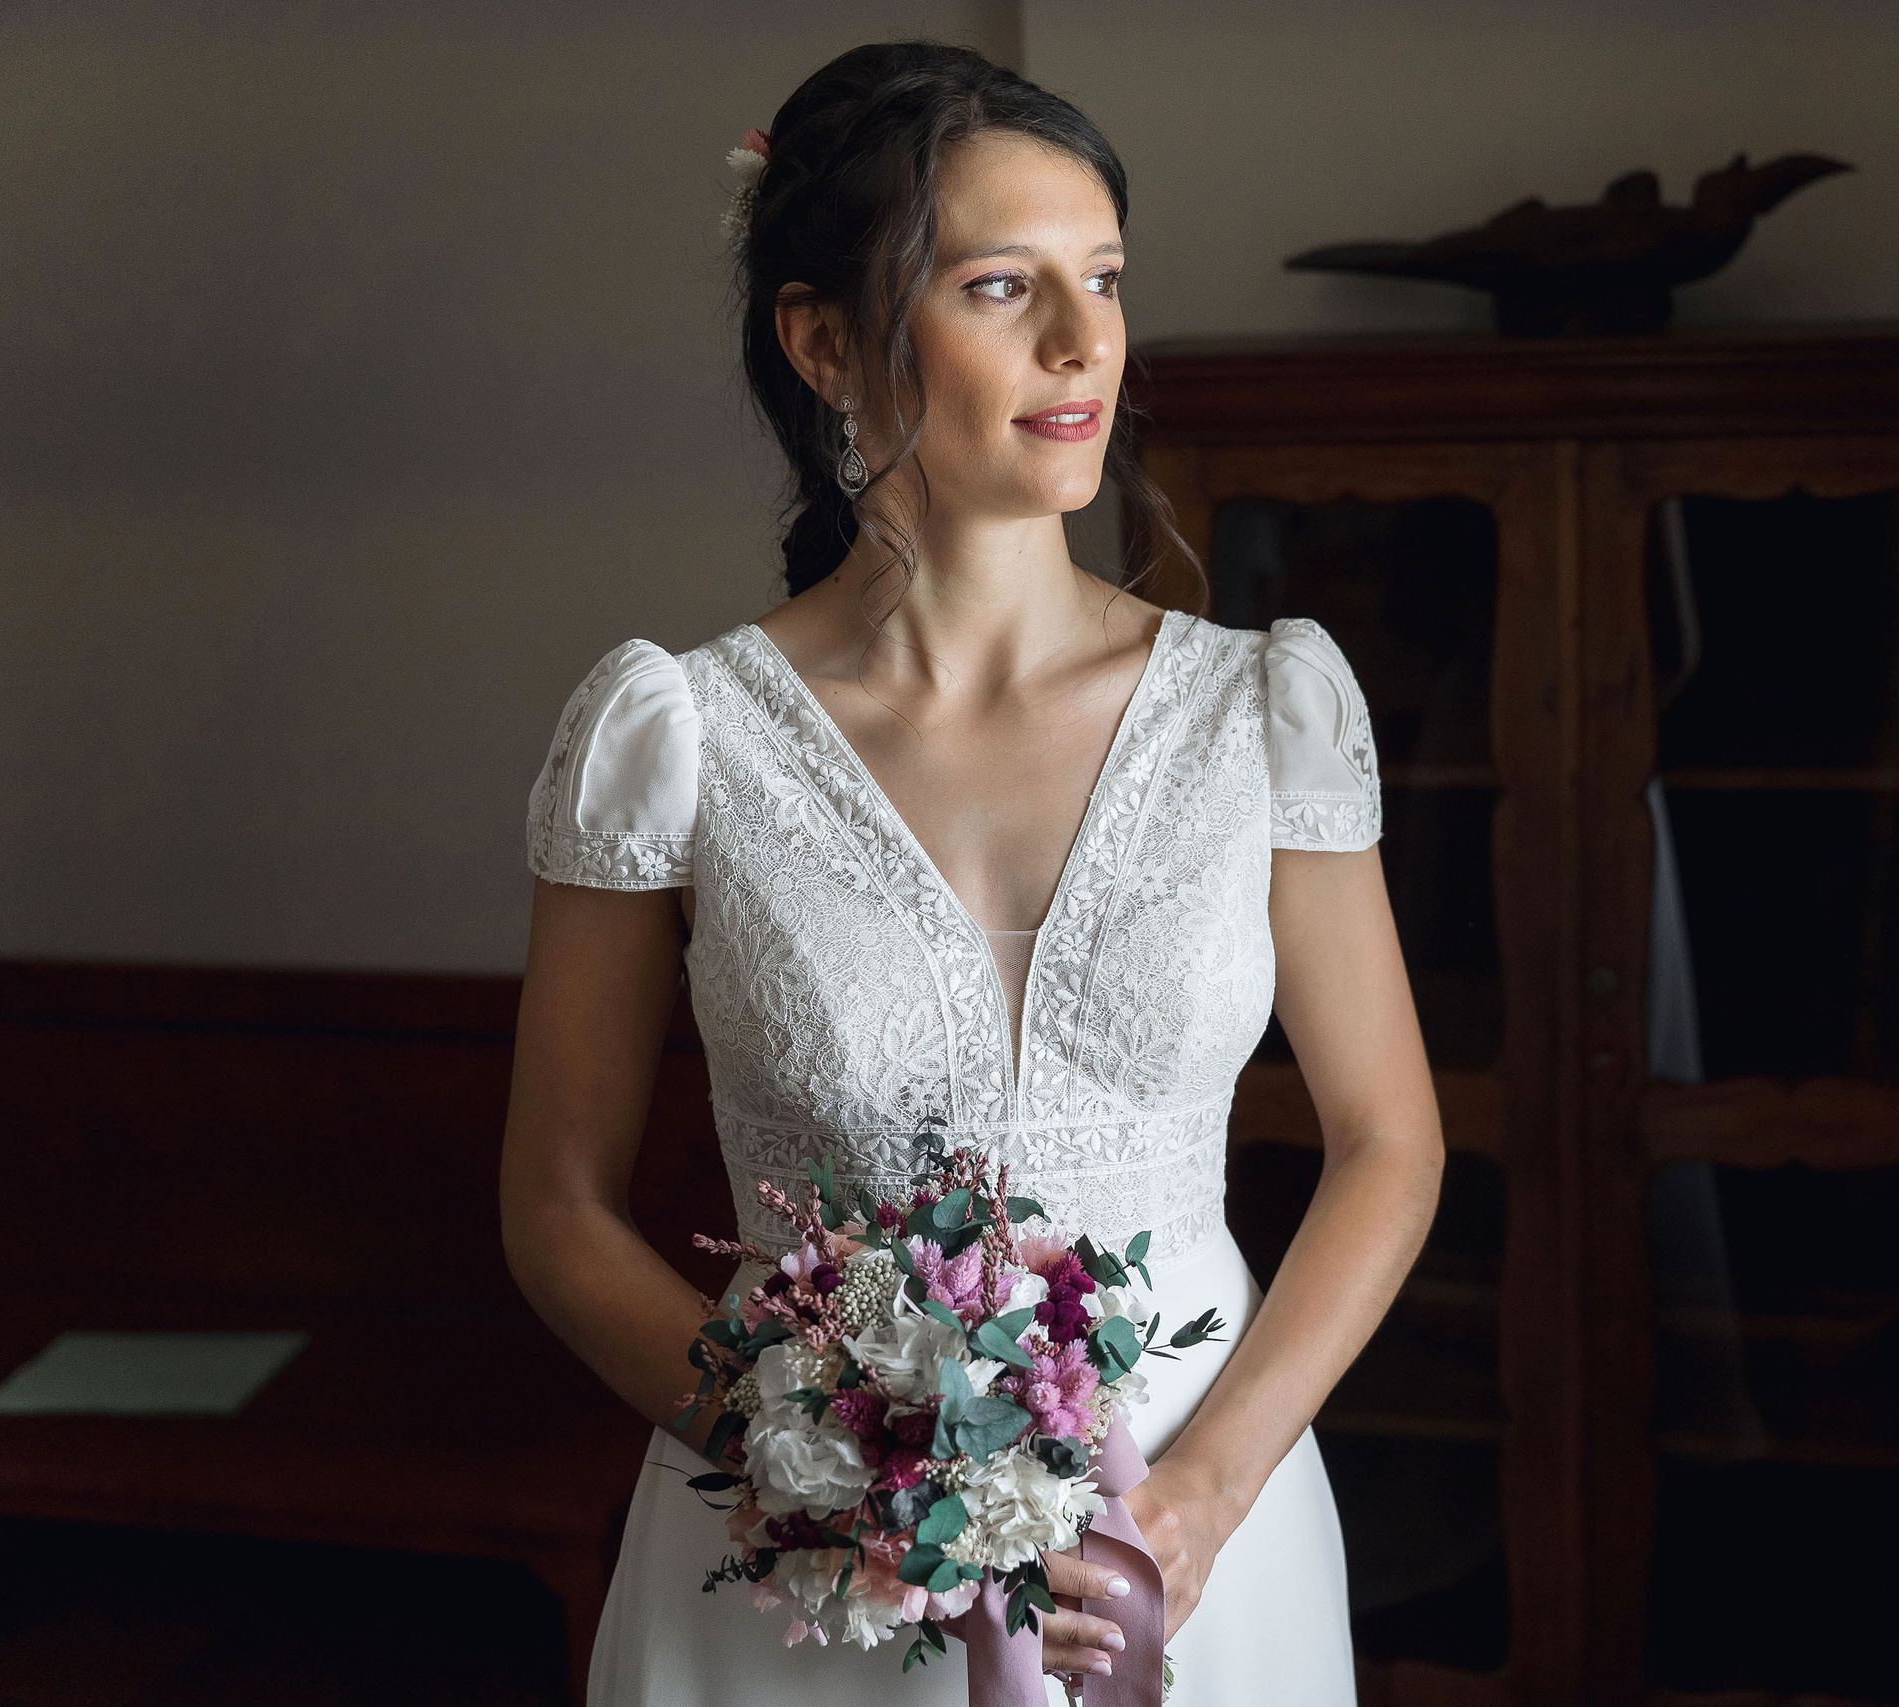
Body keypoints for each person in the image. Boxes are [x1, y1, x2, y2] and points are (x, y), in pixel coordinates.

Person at [499, 40, 1442, 1706]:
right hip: (794, 1592)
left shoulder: (1261, 710)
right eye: (1005, 287)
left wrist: (1205, 1503)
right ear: (826, 343)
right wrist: (832, 1466)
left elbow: (1388, 1144)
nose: (1085, 344)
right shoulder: (677, 735)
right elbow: (558, 1207)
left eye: (1104, 280)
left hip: (1193, 1539)